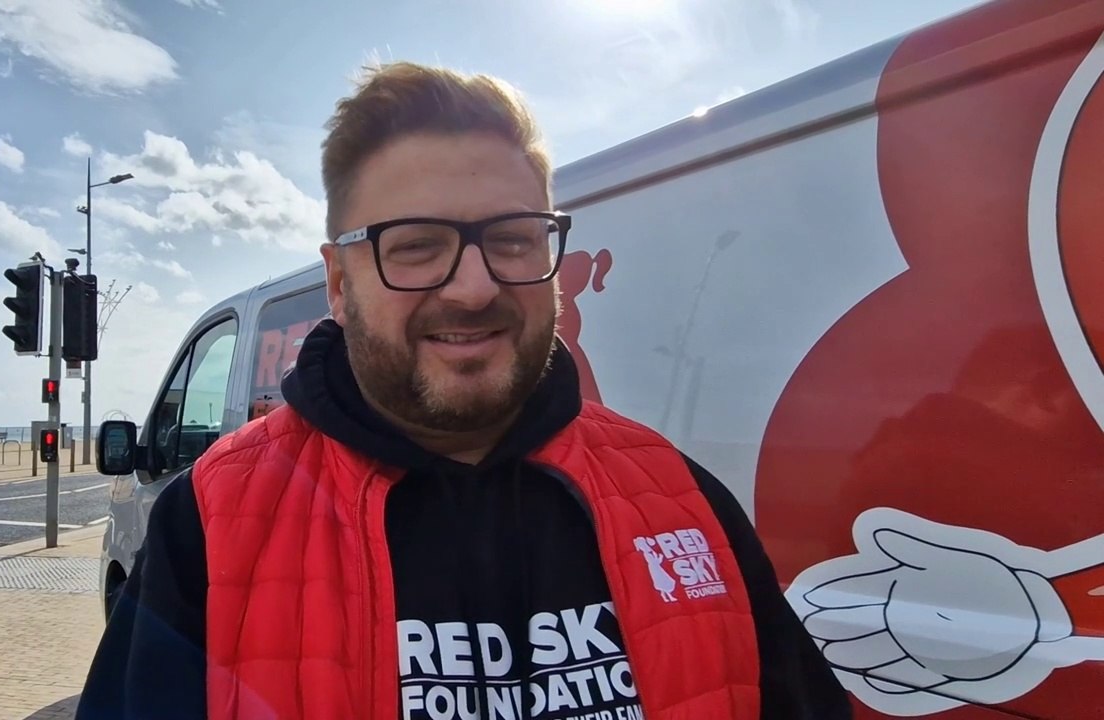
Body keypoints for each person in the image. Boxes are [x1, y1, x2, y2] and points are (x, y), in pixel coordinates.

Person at [77, 61, 851, 720]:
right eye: (415, 247)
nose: (475, 287)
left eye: (513, 238)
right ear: (340, 285)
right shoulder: (208, 528)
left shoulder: (682, 500)